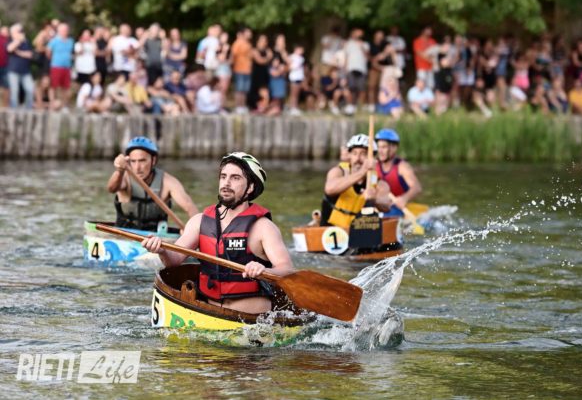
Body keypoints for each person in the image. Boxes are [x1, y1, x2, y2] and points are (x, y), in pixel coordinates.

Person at [141, 152, 294, 315]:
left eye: (235, 178)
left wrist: (264, 271)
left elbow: (287, 270)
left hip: (254, 323)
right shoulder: (199, 222)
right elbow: (173, 261)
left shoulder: (264, 228)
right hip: (209, 313)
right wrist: (162, 250)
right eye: (223, 176)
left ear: (250, 187)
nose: (226, 183)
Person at [107, 136, 198, 231]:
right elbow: (111, 189)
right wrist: (119, 171)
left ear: (153, 160)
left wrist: (194, 231)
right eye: (133, 161)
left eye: (142, 161)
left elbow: (189, 207)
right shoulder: (123, 177)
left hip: (156, 236)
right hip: (123, 233)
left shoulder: (168, 182)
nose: (137, 168)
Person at [320, 134, 391, 228]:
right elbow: (329, 189)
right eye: (354, 153)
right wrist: (362, 172)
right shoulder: (337, 172)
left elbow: (386, 206)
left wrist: (374, 199)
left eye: (364, 154)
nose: (358, 158)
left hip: (358, 230)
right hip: (329, 230)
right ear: (349, 155)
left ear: (373, 159)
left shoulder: (379, 183)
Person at [374, 128, 422, 218]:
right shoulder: (373, 165)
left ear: (394, 147)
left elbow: (416, 188)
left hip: (397, 207)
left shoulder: (402, 166)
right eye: (378, 147)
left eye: (384, 147)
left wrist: (404, 199)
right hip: (379, 207)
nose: (380, 151)